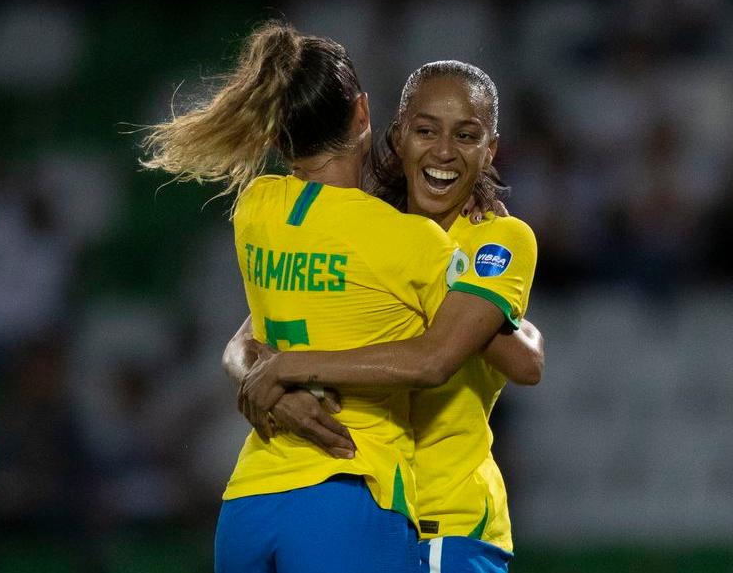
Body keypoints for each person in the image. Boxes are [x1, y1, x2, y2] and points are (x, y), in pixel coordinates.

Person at [144, 22, 497, 573]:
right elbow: (447, 356)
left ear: (279, 137)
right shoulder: (407, 241)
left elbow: (246, 340)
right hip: (350, 490)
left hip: (249, 502)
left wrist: (271, 379)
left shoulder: (255, 208)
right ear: (363, 114)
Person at [230, 61, 541, 573]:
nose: (443, 151)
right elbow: (246, 337)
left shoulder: (496, 239)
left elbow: (521, 363)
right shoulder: (373, 232)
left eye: (466, 136)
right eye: (425, 131)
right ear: (397, 136)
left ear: (489, 150)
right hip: (369, 509)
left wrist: (289, 369)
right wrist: (263, 383)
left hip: (447, 524)